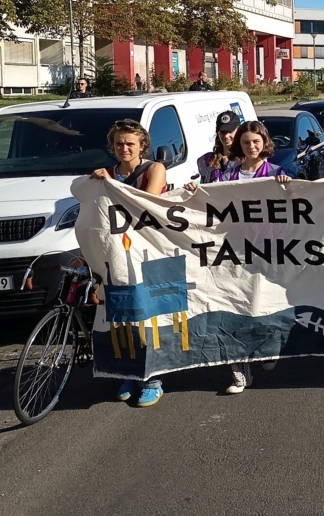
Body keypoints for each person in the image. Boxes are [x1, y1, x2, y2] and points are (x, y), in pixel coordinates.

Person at [186, 121, 290, 394]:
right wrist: (195, 192)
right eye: (246, 142)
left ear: (264, 143)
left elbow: (292, 205)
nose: (251, 147)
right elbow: (211, 198)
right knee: (234, 305)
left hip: (267, 249)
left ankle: (268, 344)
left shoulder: (276, 173)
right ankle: (239, 368)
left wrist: (285, 187)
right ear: (238, 145)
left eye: (256, 142)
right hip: (234, 250)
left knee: (264, 303)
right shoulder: (229, 174)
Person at [90, 120, 167, 407]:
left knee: (148, 315)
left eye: (130, 143)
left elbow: (147, 203)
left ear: (142, 146)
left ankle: (153, 378)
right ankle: (130, 373)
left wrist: (110, 185)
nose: (124, 148)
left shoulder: (154, 169)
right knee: (121, 314)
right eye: (119, 143)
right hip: (116, 254)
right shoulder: (105, 174)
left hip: (148, 251)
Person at [196, 110, 240, 183]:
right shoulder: (207, 160)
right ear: (218, 133)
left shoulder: (246, 159)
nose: (226, 136)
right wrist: (194, 187)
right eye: (223, 132)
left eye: (230, 131)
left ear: (238, 130)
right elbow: (204, 186)